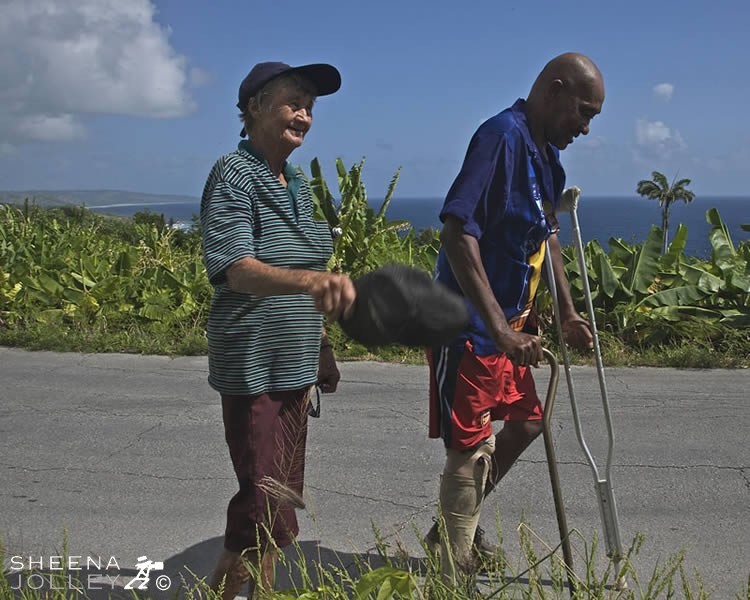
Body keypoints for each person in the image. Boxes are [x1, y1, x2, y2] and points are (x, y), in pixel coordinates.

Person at [425, 52, 605, 581]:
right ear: (554, 91)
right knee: (470, 446)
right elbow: (459, 232)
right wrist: (500, 330)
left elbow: (545, 237)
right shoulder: (500, 137)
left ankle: (452, 524)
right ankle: (449, 574)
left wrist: (566, 312)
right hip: (469, 326)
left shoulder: (548, 161)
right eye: (584, 112)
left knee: (527, 423)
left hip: (509, 328)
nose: (587, 128)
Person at [200, 61, 356, 599]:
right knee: (264, 498)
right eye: (293, 101)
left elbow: (303, 280)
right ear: (254, 108)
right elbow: (236, 268)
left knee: (279, 495)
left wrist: (322, 347)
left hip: (295, 366)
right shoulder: (233, 174)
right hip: (254, 366)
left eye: (310, 106)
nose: (305, 115)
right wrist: (315, 280)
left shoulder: (296, 184)